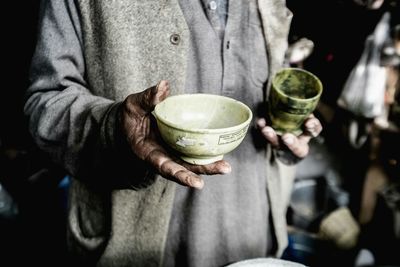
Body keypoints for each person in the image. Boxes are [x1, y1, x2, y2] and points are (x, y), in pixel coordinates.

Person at [24, 0, 322, 266]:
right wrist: (113, 129)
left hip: (252, 233)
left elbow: (268, 70)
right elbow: (47, 101)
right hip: (139, 243)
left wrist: (285, 128)